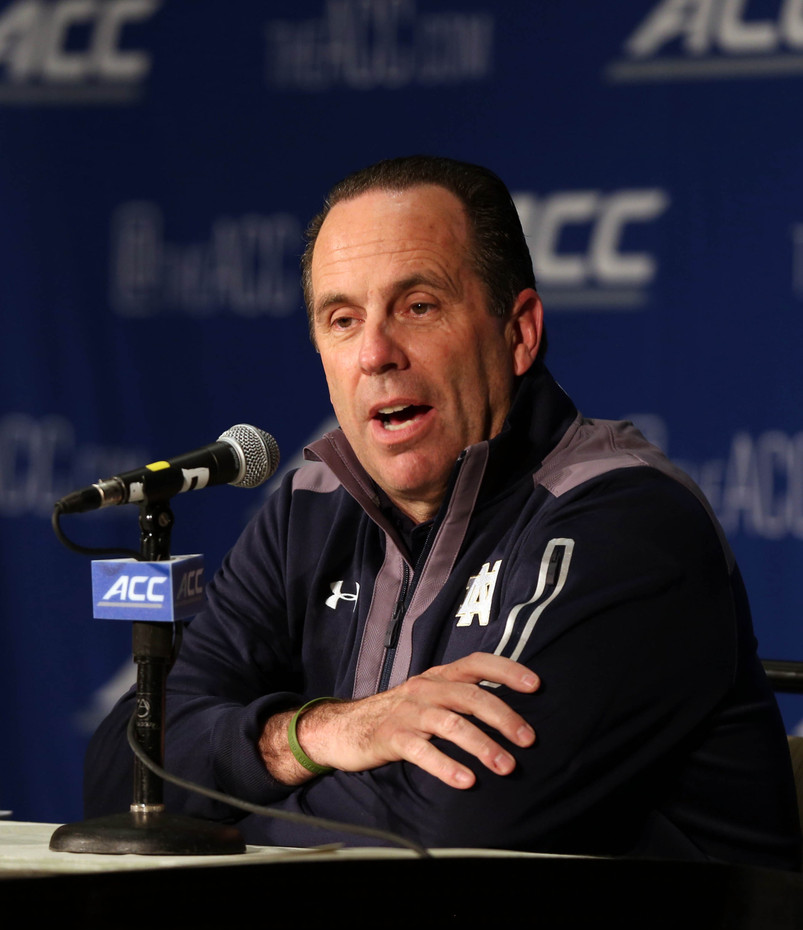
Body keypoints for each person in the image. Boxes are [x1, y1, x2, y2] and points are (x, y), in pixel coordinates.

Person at [85, 156, 801, 869]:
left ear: (517, 333)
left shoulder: (625, 519)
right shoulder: (307, 514)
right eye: (342, 318)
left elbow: (460, 823)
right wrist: (317, 734)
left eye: (418, 306)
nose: (374, 353)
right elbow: (129, 782)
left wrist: (219, 802)